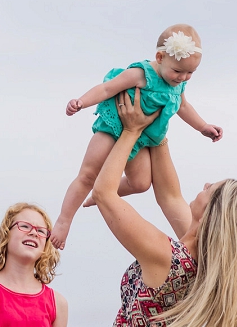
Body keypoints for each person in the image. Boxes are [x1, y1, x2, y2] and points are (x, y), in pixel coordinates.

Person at [93, 89, 237, 327]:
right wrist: (160, 110)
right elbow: (169, 196)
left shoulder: (166, 257)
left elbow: (105, 193)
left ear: (214, 213)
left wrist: (132, 131)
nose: (204, 185)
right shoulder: (202, 260)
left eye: (212, 188)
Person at [51, 23, 224, 249]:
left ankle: (102, 193)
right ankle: (64, 220)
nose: (183, 77)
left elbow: (183, 107)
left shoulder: (176, 85)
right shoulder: (141, 74)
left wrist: (202, 127)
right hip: (113, 128)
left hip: (140, 137)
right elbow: (106, 89)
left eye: (190, 73)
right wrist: (81, 102)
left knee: (141, 183)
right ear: (160, 57)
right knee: (87, 174)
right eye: (178, 71)